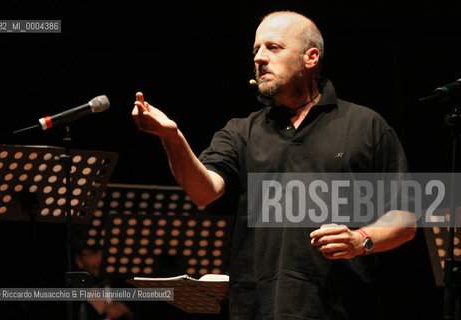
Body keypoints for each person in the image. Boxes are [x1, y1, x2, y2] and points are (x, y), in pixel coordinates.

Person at [132, 10, 416, 320]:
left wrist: (360, 240)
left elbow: (405, 218)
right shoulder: (242, 130)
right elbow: (204, 192)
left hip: (339, 307)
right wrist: (173, 138)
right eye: (256, 50)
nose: (260, 57)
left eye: (274, 47)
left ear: (311, 57)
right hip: (256, 307)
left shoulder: (364, 125)